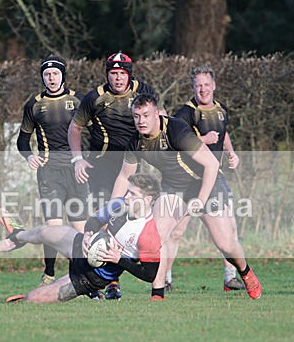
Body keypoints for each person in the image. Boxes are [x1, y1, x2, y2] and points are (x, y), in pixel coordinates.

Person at [111, 93, 262, 301]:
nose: (141, 121)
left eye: (146, 115)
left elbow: (211, 164)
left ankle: (245, 272)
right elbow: (123, 176)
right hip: (174, 188)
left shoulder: (176, 129)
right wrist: (111, 208)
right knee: (157, 238)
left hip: (206, 182)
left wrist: (200, 199)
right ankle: (158, 294)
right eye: (136, 116)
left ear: (157, 114)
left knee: (226, 244)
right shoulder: (135, 141)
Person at [68, 52, 158, 299]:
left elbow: (155, 120)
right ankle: (101, 282)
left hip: (131, 165)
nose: (118, 78)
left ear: (129, 74)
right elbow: (75, 127)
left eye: (122, 73)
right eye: (113, 73)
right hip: (100, 166)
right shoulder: (95, 97)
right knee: (103, 219)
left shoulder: (143, 92)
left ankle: (111, 282)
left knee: (124, 223)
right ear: (107, 74)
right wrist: (77, 160)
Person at [0, 173, 161, 304]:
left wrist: (119, 260)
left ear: (147, 200)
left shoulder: (149, 235)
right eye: (127, 191)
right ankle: (18, 235)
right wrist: (88, 234)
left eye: (132, 194)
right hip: (81, 245)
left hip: (91, 276)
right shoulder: (118, 204)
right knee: (44, 232)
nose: (126, 196)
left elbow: (149, 275)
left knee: (34, 299)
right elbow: (94, 221)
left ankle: (31, 299)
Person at [170, 65, 244, 294]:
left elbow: (223, 134)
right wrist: (202, 138)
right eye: (198, 85)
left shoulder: (221, 110)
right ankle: (164, 279)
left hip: (216, 176)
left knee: (229, 228)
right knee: (175, 230)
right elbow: (177, 142)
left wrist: (231, 153)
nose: (202, 89)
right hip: (188, 178)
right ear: (192, 88)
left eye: (206, 85)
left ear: (214, 86)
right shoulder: (185, 112)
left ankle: (230, 278)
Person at [17, 55, 88, 286]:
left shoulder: (78, 101)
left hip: (76, 171)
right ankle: (49, 273)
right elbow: (22, 141)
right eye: (47, 74)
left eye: (55, 73)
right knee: (53, 228)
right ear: (42, 78)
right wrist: (29, 157)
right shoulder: (34, 105)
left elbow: (95, 132)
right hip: (49, 172)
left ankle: (75, 277)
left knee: (80, 229)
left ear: (63, 75)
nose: (51, 78)